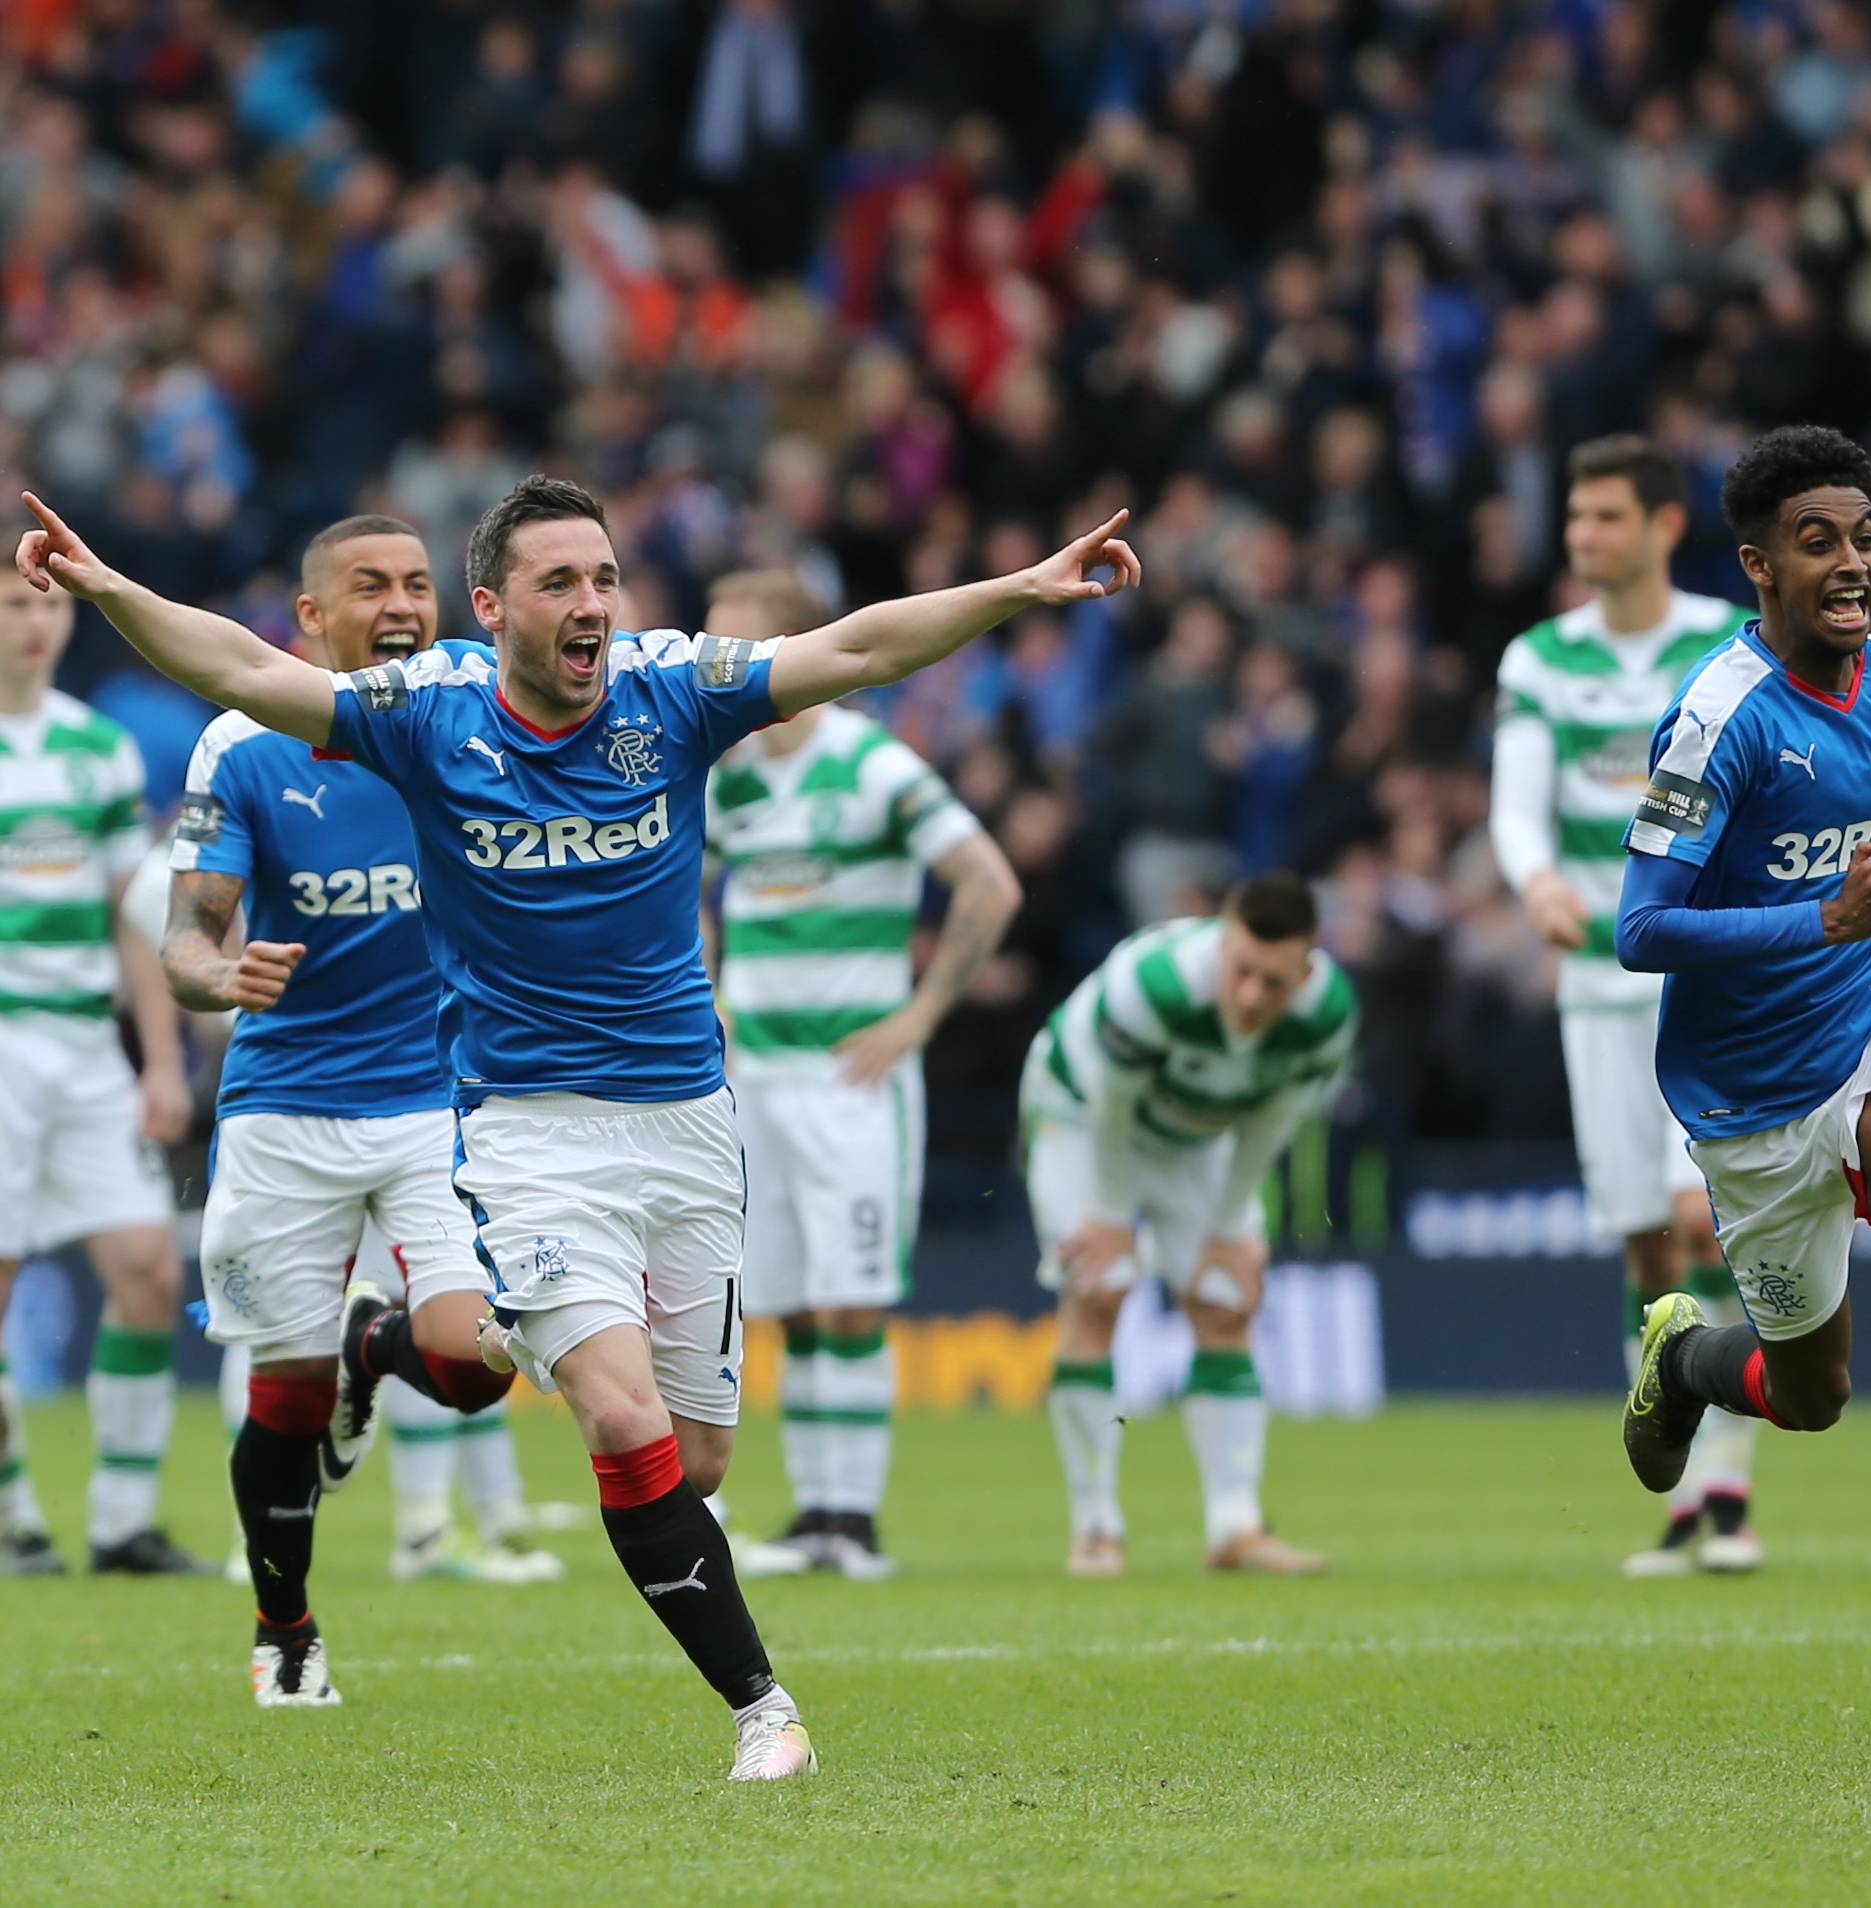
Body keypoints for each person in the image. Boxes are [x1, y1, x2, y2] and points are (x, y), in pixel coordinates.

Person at [15, 475, 1138, 1780]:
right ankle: (764, 1713)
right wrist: (104, 592)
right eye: (560, 583)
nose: (593, 603)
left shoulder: (674, 689)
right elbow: (240, 670)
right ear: (494, 610)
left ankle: (382, 1355)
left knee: (697, 1452)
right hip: (520, 1134)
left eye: (604, 578)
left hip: (685, 1127)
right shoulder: (424, 717)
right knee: (613, 1419)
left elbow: (863, 644)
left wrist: (1015, 590)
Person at [159, 513, 556, 1704]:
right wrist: (213, 974)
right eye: (369, 585)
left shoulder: (483, 711)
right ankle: (286, 1627)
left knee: (483, 1363)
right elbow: (190, 930)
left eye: (419, 584)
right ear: (311, 620)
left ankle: (369, 1346)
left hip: (443, 1097)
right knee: (280, 1401)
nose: (400, 604)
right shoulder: (245, 744)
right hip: (287, 1103)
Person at [1615, 425, 1871, 1491]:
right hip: (1747, 1092)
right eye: (1816, 540)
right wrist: (1825, 919)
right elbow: (1640, 932)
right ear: (1760, 565)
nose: (1851, 563)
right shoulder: (1715, 721)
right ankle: (1687, 1363)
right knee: (1812, 1397)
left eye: (1864, 538)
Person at [701, 569, 1021, 1579]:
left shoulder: (874, 767)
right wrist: (709, 987)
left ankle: (859, 1520)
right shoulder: (731, 776)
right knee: (788, 1304)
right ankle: (816, 1519)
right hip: (758, 1078)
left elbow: (988, 881)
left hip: (852, 1080)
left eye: (736, 645)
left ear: (792, 644)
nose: (719, 666)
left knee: (852, 1301)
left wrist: (921, 1014)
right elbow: (674, 886)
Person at [1490, 434, 1765, 1577]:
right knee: (1648, 1245)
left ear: (1661, 525)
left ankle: (1733, 1499)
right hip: (1598, 987)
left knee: (1711, 1221)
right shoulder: (1538, 660)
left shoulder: (1728, 642)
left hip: (1713, 978)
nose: (1581, 536)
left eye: (1604, 516)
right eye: (1574, 517)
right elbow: (1516, 805)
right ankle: (1682, 1500)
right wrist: (1535, 876)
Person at [1021, 872, 1350, 1578]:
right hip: (1082, 1115)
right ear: (1220, 941)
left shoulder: (1328, 1014)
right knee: (1100, 1285)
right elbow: (1111, 1104)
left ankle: (1234, 1526)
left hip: (1195, 1133)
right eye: (1242, 972)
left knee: (1227, 1298)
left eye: (1275, 981)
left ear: (1308, 966)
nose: (1254, 996)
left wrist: (1232, 1221)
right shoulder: (1154, 985)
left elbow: (1274, 1117)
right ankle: (1096, 1526)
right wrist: (1109, 1217)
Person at [0, 564, 207, 1578]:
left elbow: (140, 919)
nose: (35, 621)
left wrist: (161, 1061)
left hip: (85, 1047)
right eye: (13, 602)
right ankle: (14, 1520)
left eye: (46, 603)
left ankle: (123, 1524)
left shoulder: (98, 746)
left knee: (149, 1270)